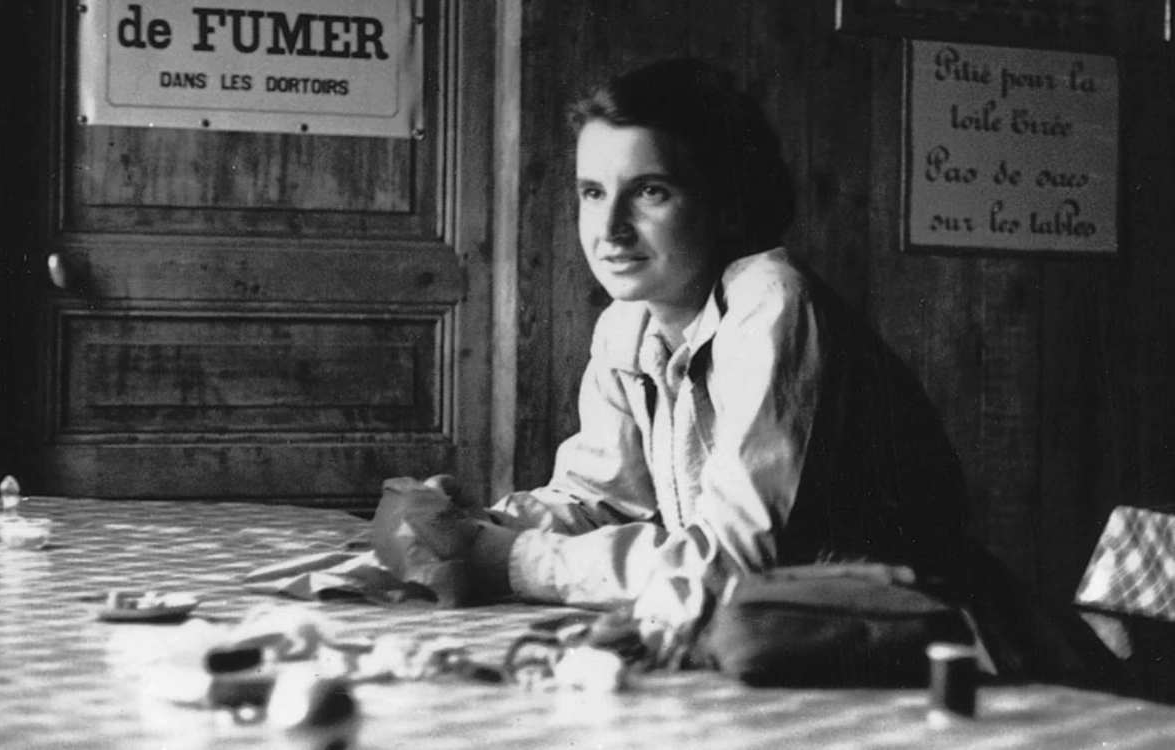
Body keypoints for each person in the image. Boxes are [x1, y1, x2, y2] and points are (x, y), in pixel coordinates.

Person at [374, 57, 1123, 687]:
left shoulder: (772, 301)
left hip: (930, 648)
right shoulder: (627, 326)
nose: (609, 229)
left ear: (729, 207)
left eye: (650, 192)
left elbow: (731, 563)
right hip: (782, 646)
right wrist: (477, 523)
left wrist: (512, 561)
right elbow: (600, 500)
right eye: (593, 192)